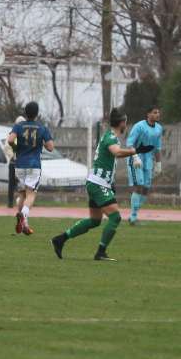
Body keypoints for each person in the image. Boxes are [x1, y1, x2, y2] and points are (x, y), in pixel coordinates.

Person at [51, 109, 155, 262]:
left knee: (95, 220)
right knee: (115, 217)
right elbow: (117, 153)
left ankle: (60, 239)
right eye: (125, 122)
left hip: (97, 183)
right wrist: (134, 151)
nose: (126, 125)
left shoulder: (109, 136)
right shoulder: (111, 138)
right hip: (98, 184)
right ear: (121, 123)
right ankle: (100, 253)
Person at [6, 101, 55, 235]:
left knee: (22, 194)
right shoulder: (42, 128)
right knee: (31, 194)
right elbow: (51, 147)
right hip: (34, 165)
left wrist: (17, 148)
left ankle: (24, 224)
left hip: (20, 164)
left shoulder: (18, 125)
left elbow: (10, 140)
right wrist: (43, 144)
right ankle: (23, 215)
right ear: (37, 113)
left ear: (25, 112)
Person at [124, 104, 163, 225]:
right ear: (148, 114)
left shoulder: (159, 128)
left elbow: (157, 148)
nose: (157, 114)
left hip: (148, 159)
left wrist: (158, 164)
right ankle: (133, 217)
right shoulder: (139, 126)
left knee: (146, 188)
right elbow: (129, 143)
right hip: (136, 158)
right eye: (155, 112)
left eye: (158, 112)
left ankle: (134, 214)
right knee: (139, 185)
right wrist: (135, 157)